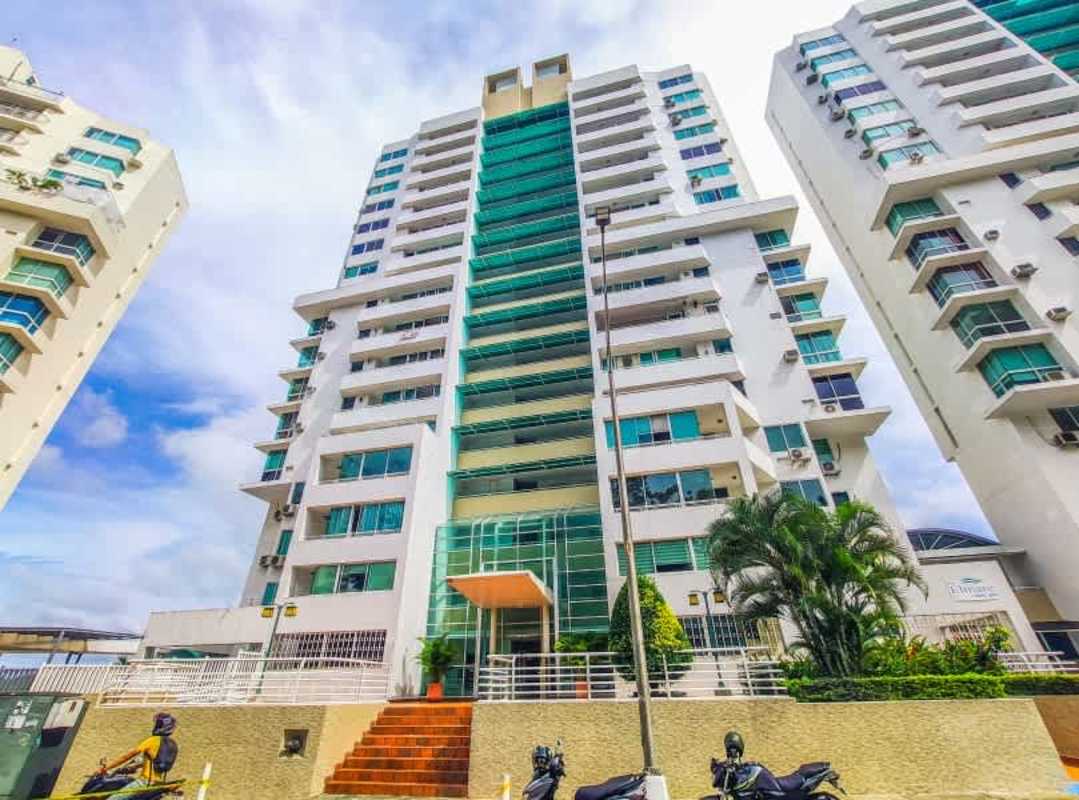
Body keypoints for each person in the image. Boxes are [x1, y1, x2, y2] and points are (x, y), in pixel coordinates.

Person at [97, 712, 178, 797]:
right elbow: (156, 761)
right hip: (158, 784)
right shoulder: (173, 745)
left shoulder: (153, 740)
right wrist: (135, 766)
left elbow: (127, 756)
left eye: (157, 724)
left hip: (145, 782)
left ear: (160, 727)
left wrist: (106, 768)